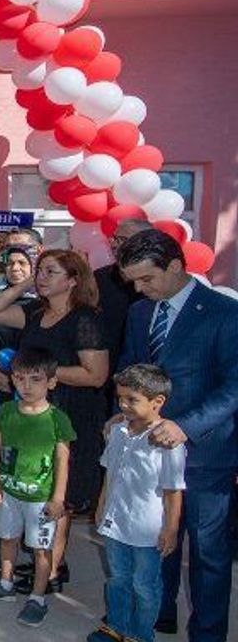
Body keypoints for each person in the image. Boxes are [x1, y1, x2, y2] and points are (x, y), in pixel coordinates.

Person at [117, 229, 238, 641]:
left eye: (146, 279)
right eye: (133, 281)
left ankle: (207, 633)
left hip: (206, 453)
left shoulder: (225, 313)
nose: (139, 288)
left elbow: (234, 387)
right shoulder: (139, 312)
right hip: (149, 451)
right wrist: (124, 412)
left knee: (208, 553)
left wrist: (186, 426)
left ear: (174, 266)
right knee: (157, 539)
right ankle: (158, 614)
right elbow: (131, 369)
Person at [0, 249, 109, 592]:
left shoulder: (84, 319)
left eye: (51, 272)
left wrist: (41, 375)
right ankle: (46, 561)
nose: (42, 277)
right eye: (40, 270)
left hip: (69, 411)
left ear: (73, 280)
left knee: (58, 492)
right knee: (36, 478)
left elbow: (96, 374)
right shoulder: (35, 313)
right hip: (32, 411)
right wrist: (24, 283)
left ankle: (52, 571)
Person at [0, 347, 76, 629]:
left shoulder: (57, 419)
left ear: (51, 382)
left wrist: (58, 498)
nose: (26, 386)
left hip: (40, 499)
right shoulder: (7, 411)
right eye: (20, 378)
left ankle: (37, 597)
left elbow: (63, 460)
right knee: (7, 538)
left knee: (40, 549)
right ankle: (5, 583)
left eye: (35, 379)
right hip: (8, 492)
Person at [88, 364, 185, 642]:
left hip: (147, 530)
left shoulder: (168, 443)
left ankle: (141, 635)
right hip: (116, 522)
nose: (124, 405)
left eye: (132, 399)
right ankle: (116, 627)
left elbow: (173, 490)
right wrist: (101, 505)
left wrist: (171, 529)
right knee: (118, 578)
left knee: (145, 585)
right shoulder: (117, 431)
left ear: (157, 402)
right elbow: (109, 472)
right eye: (120, 398)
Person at [94, 218, 153, 391]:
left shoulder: (160, 282)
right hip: (105, 375)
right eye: (113, 238)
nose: (114, 244)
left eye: (122, 239)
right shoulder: (98, 278)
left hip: (147, 377)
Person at [0, 245, 36, 397]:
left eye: (22, 263)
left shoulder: (44, 301)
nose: (15, 268)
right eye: (10, 263)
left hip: (30, 377)